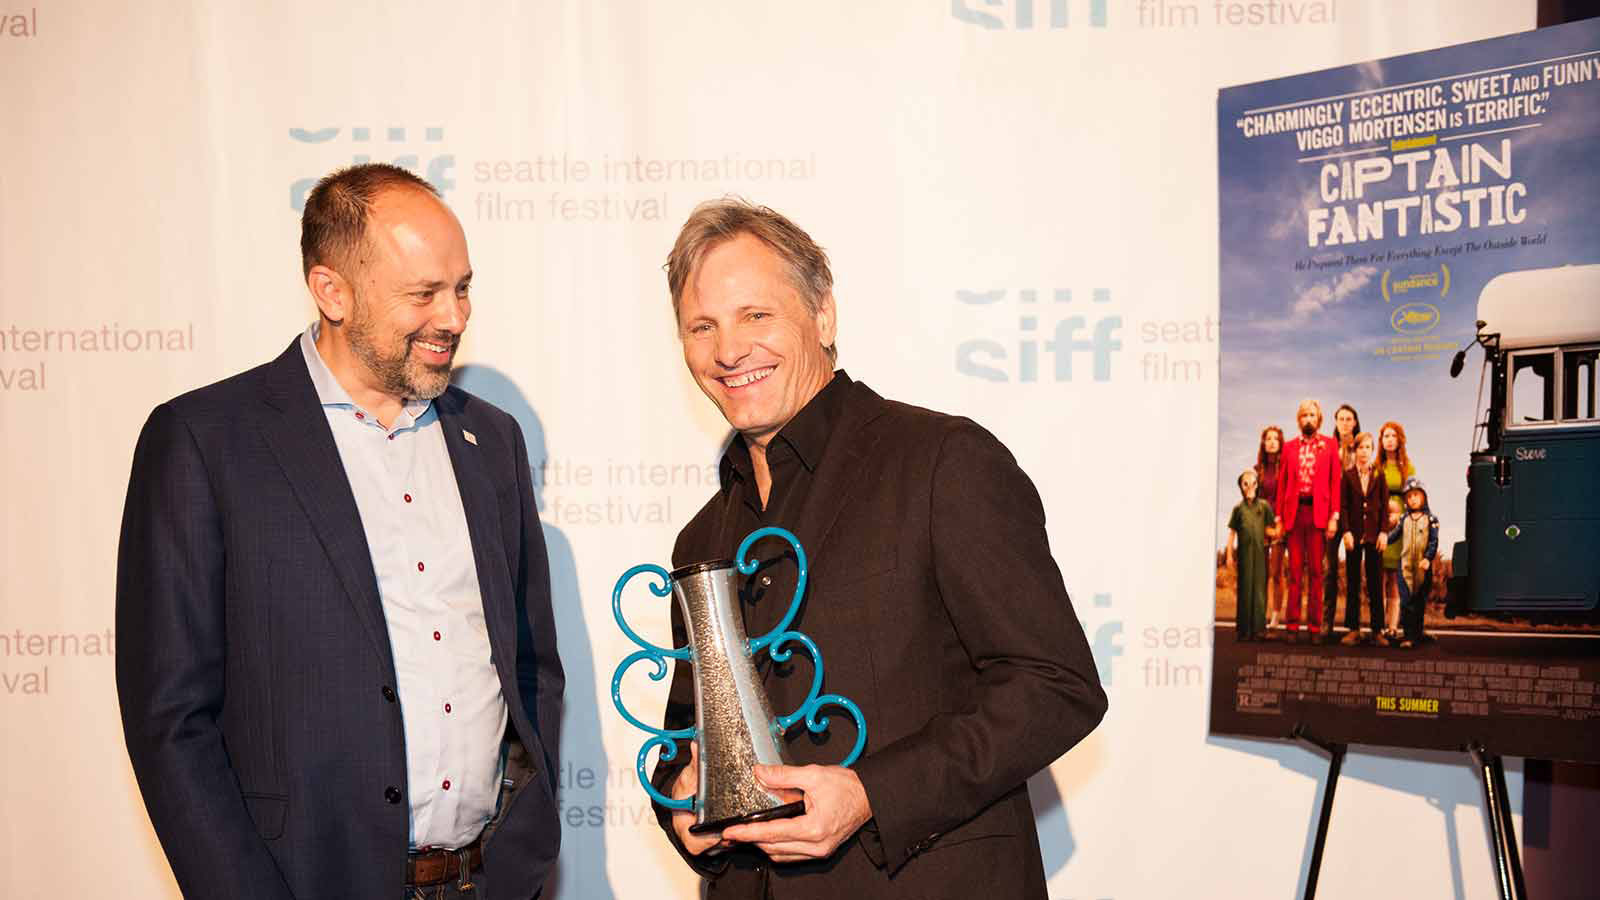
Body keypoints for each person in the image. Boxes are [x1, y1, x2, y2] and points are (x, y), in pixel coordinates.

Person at [116, 164, 563, 900]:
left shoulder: (492, 440)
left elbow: (530, 668)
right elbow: (170, 720)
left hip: (486, 883)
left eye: (462, 287)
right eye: (422, 294)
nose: (453, 317)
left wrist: (524, 846)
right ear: (332, 291)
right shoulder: (205, 442)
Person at [649, 198, 1107, 899]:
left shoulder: (942, 462)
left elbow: (1055, 686)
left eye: (756, 315)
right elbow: (687, 729)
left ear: (823, 315)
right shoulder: (703, 537)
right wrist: (682, 796)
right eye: (701, 326)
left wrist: (872, 794)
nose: (729, 350)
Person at [1274, 399, 1341, 641]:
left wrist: (1334, 517)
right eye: (1304, 415)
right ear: (1299, 419)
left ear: (1319, 419)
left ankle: (1314, 628)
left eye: (1312, 415)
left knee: (1315, 572)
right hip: (1294, 514)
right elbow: (1282, 484)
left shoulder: (1330, 446)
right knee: (1293, 573)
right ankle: (1291, 626)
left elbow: (1335, 483)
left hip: (1318, 515)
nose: (1308, 419)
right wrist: (1280, 518)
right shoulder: (1289, 447)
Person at [1339, 433, 1388, 645]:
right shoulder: (1348, 476)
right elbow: (1343, 507)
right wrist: (1346, 532)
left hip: (1375, 536)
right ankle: (1353, 629)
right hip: (1354, 535)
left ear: (1372, 451)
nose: (1364, 451)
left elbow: (1385, 506)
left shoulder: (1380, 475)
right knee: (1353, 582)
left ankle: (1378, 630)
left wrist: (1384, 532)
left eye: (1368, 447)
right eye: (1360, 448)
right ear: (1355, 451)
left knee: (1376, 583)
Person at [1321, 403, 1360, 636]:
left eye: (1349, 419)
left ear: (1355, 422)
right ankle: (1326, 623)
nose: (1345, 422)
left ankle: (1353, 626)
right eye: (1341, 418)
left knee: (1354, 571)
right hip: (1332, 516)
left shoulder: (1361, 448)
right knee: (1329, 571)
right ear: (1335, 422)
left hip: (1354, 518)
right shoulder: (1328, 448)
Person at [1387, 477, 1440, 649]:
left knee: (1419, 601)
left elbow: (1433, 542)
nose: (1413, 499)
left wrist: (1428, 558)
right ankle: (1409, 635)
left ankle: (1418, 632)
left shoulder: (1431, 519)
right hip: (1405, 567)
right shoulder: (1404, 519)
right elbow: (1394, 535)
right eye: (1409, 497)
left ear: (1424, 497)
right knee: (1407, 601)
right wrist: (1382, 540)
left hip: (1422, 567)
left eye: (1416, 495)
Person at [1227, 469, 1278, 641]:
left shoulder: (1264, 506)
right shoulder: (1238, 509)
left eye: (1253, 483)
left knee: (1259, 591)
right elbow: (1232, 533)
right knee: (1245, 589)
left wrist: (1281, 529)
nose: (1249, 487)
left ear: (1257, 485)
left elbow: (1271, 529)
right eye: (1245, 483)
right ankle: (1243, 630)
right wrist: (1228, 554)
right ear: (1241, 487)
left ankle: (1258, 630)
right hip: (1244, 555)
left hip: (1260, 555)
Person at [1253, 425, 1287, 629]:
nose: (1272, 441)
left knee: (1276, 572)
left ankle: (1275, 617)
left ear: (1280, 443)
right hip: (1260, 525)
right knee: (1261, 573)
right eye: (1268, 439)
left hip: (1279, 524)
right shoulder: (1258, 470)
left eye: (1275, 438)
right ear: (1263, 443)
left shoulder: (1285, 468)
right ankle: (1259, 614)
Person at [1381, 495, 1405, 642]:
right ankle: (1379, 625)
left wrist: (1398, 515)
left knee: (1394, 582)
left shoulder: (1407, 471)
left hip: (1398, 528)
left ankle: (1393, 626)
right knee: (1380, 583)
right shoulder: (1377, 472)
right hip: (1381, 523)